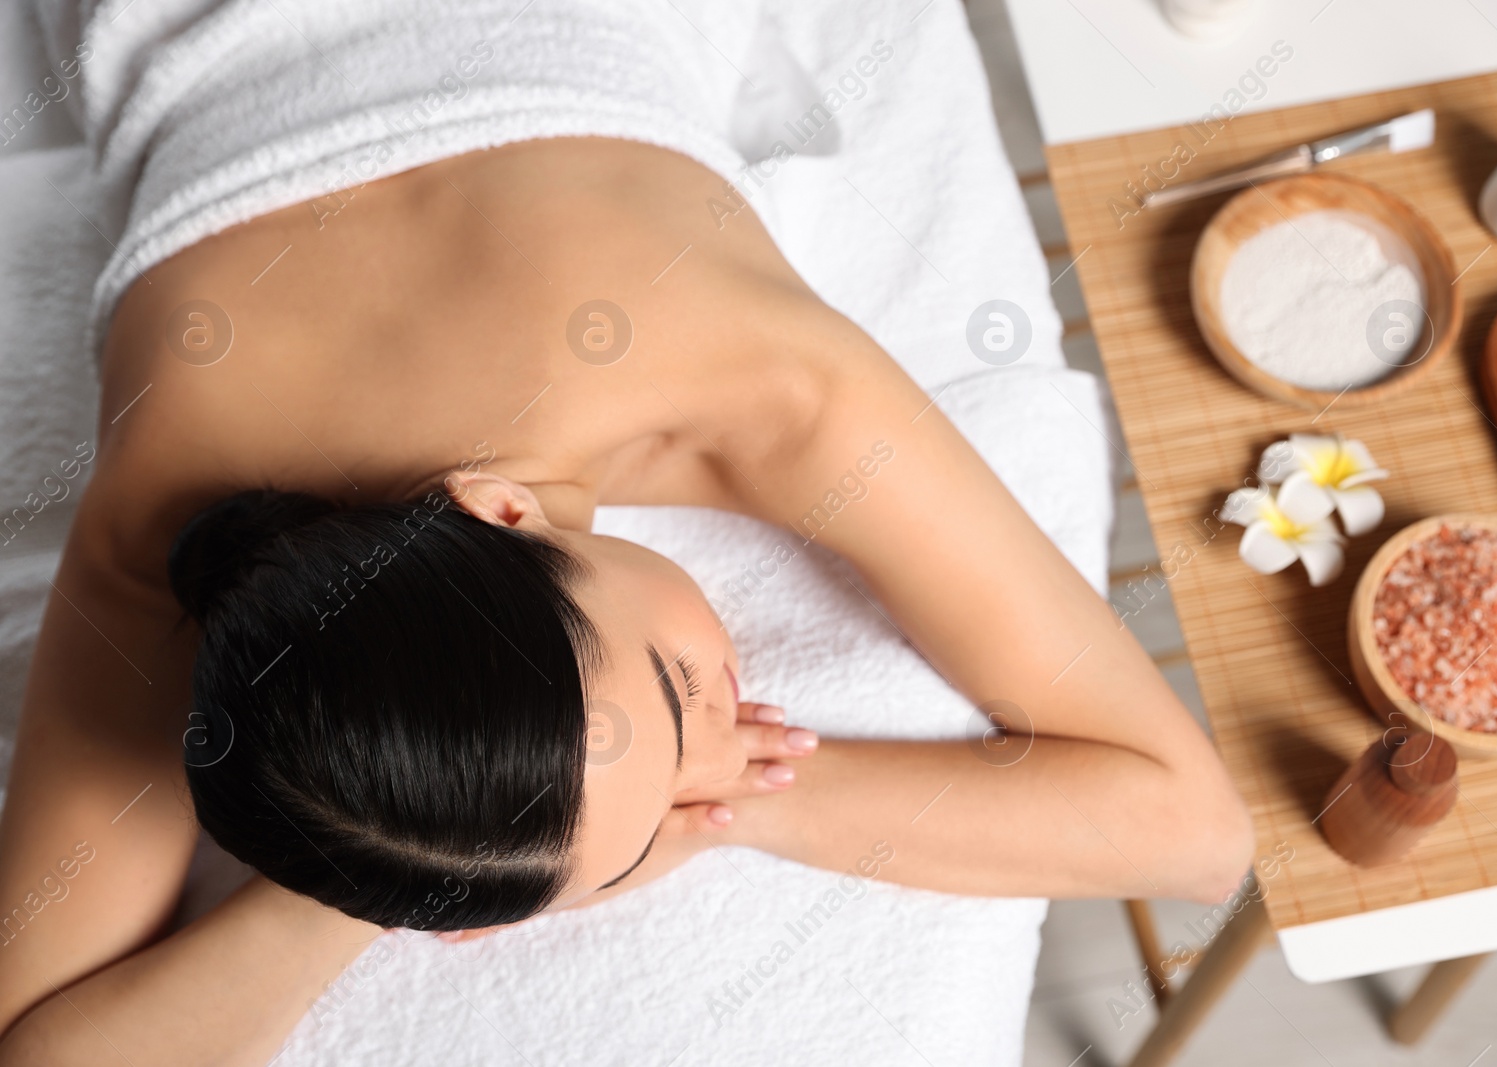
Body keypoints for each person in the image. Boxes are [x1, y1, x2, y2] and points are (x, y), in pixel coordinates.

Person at [0, 30, 1253, 1067]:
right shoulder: (173, 541)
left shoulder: (750, 379)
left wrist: (717, 803)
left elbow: (1194, 829)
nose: (720, 738)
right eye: (665, 809)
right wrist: (394, 859)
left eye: (679, 687)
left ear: (499, 510)